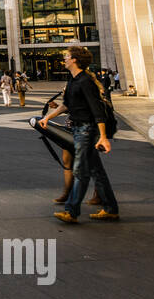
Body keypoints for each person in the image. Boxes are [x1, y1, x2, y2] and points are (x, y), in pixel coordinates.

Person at [39, 46, 119, 223]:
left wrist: (103, 137)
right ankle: (111, 209)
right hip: (77, 129)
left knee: (80, 170)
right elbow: (66, 105)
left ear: (75, 60)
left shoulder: (85, 81)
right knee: (96, 171)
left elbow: (97, 110)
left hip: (86, 129)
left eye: (67, 56)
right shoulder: (74, 80)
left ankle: (72, 211)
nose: (64, 59)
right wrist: (47, 118)